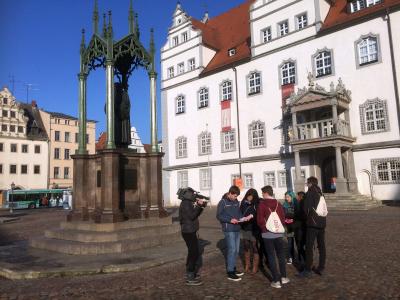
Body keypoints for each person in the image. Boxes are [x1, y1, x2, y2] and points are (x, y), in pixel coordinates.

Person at [217, 185, 252, 281]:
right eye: (235, 196)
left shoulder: (236, 202)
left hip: (237, 228)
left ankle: (233, 268)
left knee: (236, 250)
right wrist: (229, 220)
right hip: (229, 229)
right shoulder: (223, 202)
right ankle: (230, 272)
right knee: (232, 250)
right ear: (230, 193)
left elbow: (238, 214)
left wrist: (243, 218)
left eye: (237, 196)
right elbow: (219, 216)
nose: (236, 198)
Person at [257, 185, 289, 289]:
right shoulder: (278, 203)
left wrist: (264, 227)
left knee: (271, 256)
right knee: (280, 255)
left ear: (266, 193)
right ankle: (284, 277)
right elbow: (283, 218)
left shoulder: (262, 204)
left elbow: (260, 220)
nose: (262, 195)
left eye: (262, 193)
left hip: (267, 234)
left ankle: (276, 280)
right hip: (278, 233)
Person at [179, 188, 207, 286]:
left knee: (193, 251)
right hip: (188, 231)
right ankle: (190, 275)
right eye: (192, 193)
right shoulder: (186, 203)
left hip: (190, 230)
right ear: (188, 194)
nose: (194, 195)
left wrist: (202, 206)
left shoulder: (188, 202)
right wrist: (199, 205)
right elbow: (192, 216)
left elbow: (196, 215)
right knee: (194, 252)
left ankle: (191, 272)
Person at [299, 177, 326, 277]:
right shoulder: (320, 192)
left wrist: (306, 218)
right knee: (321, 245)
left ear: (310, 183)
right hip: (322, 222)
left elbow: (306, 209)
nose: (307, 185)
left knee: (309, 246)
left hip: (312, 223)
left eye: (307, 183)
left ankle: (307, 269)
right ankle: (321, 267)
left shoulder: (310, 193)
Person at [240, 188, 260, 274]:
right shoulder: (243, 203)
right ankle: (247, 264)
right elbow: (240, 212)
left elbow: (259, 215)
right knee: (246, 246)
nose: (249, 198)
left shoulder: (257, 204)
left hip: (254, 228)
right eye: (248, 196)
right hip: (245, 227)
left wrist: (252, 216)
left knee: (255, 247)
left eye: (251, 196)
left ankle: (255, 267)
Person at [283, 191, 298, 265]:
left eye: (288, 197)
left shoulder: (296, 204)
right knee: (290, 243)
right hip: (288, 226)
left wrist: (289, 215)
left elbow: (297, 215)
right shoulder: (284, 205)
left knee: (298, 243)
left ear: (292, 197)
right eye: (286, 197)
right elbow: (283, 215)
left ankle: (299, 257)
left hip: (296, 226)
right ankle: (290, 257)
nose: (286, 198)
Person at [294, 191, 306, 265]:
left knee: (300, 245)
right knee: (301, 245)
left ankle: (302, 260)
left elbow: (297, 216)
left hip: (299, 228)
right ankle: (302, 259)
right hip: (302, 228)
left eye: (298, 196)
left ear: (300, 197)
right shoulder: (303, 204)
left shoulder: (300, 205)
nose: (297, 198)